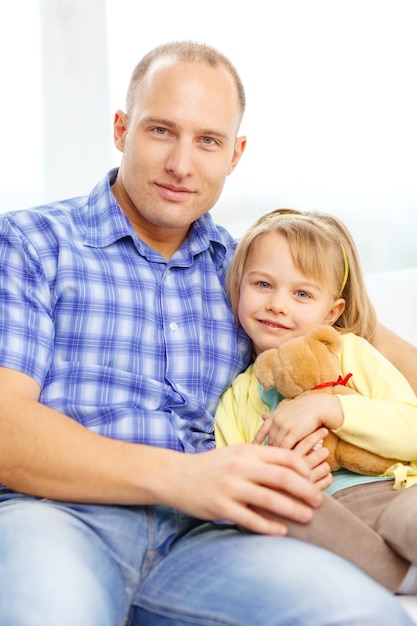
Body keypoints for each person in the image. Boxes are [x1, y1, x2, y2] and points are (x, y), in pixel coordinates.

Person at [0, 41, 415, 626]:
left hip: (214, 538)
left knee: (363, 617)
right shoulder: (31, 242)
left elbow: (369, 343)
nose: (181, 164)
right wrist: (185, 477)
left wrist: (328, 417)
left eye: (208, 141)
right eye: (161, 131)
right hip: (59, 518)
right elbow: (5, 429)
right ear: (121, 129)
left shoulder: (250, 272)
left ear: (235, 154)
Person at [215, 207, 417, 594]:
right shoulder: (238, 394)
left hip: (392, 491)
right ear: (239, 286)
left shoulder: (352, 353)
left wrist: (332, 408)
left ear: (332, 312)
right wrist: (283, 477)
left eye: (302, 294)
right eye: (262, 285)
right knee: (280, 518)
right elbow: (235, 482)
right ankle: (402, 578)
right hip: (319, 510)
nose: (277, 304)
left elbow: (411, 427)